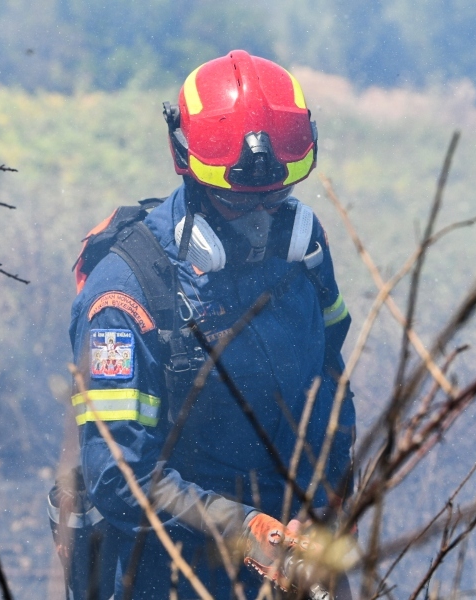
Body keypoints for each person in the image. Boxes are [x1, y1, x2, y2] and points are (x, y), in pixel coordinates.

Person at [67, 49, 355, 599]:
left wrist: (325, 507)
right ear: (192, 172)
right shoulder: (126, 298)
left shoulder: (305, 256)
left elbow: (331, 385)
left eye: (278, 197)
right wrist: (242, 530)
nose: (264, 221)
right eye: (239, 204)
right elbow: (118, 475)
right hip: (166, 571)